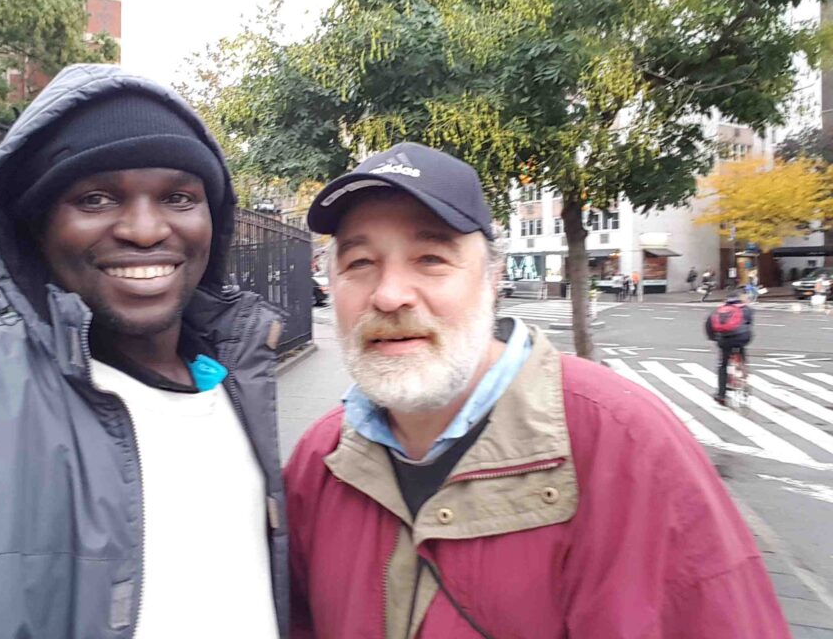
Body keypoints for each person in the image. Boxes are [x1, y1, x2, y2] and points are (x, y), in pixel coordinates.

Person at [0, 65, 287, 638]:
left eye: (179, 197)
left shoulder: (240, 392)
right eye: (95, 198)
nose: (144, 229)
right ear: (37, 229)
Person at [284, 142, 789, 638]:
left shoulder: (627, 446)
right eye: (360, 263)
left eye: (431, 258)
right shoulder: (318, 463)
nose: (390, 294)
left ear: (492, 278)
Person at [705, 290, 754, 406]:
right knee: (741, 349)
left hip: (725, 341)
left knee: (723, 365)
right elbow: (749, 323)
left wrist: (714, 339)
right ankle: (743, 371)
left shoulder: (719, 310)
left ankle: (721, 395)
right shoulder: (746, 309)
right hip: (742, 339)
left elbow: (709, 326)